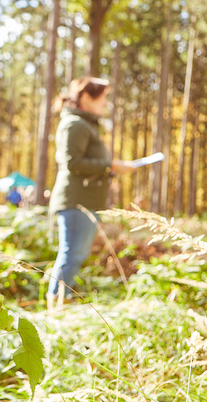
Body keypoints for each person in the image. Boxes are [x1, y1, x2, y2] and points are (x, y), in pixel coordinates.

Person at [47, 76, 134, 307]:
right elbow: (72, 163)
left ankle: (59, 303)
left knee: (75, 254)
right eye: (103, 97)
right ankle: (54, 308)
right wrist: (110, 165)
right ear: (86, 97)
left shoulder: (83, 124)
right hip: (76, 201)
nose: (106, 103)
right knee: (71, 255)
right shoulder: (74, 124)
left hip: (85, 200)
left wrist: (109, 171)